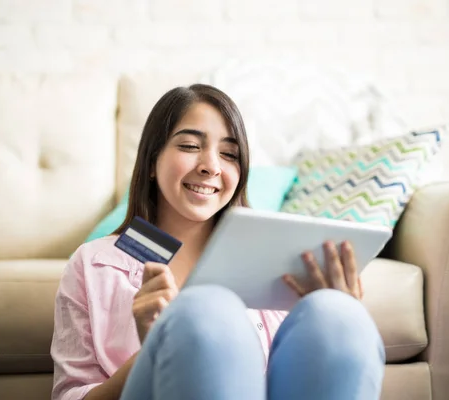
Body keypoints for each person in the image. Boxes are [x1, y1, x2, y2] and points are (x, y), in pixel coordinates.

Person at [50, 84, 385, 400]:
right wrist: (155, 348)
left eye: (229, 154)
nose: (211, 166)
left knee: (339, 314)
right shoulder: (95, 262)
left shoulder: (270, 261)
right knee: (206, 307)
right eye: (190, 146)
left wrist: (337, 309)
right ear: (152, 161)